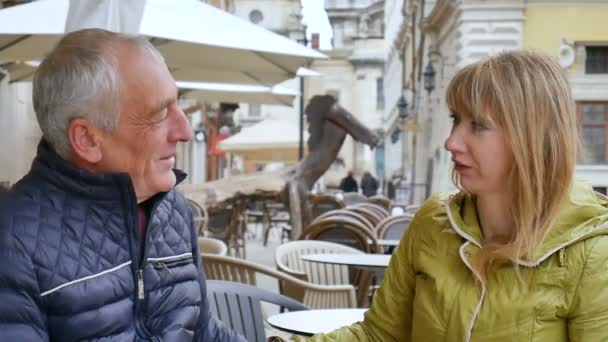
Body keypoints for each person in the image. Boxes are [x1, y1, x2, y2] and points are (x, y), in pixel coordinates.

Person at [293, 51, 608, 341]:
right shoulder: (435, 220)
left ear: (531, 137)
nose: (451, 142)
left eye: (478, 126)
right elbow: (379, 335)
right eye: (456, 120)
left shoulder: (592, 251)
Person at [0, 29, 244, 341]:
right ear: (88, 139)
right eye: (158, 114)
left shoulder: (172, 210)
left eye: (178, 104)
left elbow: (203, 332)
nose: (183, 130)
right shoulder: (12, 240)